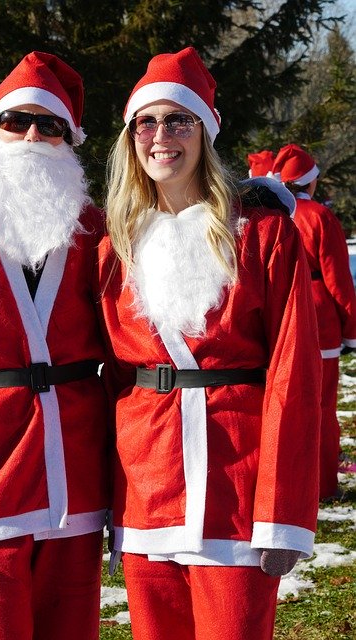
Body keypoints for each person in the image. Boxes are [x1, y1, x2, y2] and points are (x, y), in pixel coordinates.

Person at [97, 47, 322, 640]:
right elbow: (106, 379)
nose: (161, 136)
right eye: (146, 122)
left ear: (206, 132)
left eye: (179, 120)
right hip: (146, 488)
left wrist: (283, 514)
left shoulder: (263, 236)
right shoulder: (114, 246)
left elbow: (294, 375)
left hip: (237, 487)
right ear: (130, 138)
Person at [0, 51, 108, 640]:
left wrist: (249, 206)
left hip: (74, 470)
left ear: (69, 140)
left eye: (50, 124)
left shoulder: (96, 229)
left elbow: (176, 250)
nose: (33, 135)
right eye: (16, 120)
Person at [272, 143, 356, 500]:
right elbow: (339, 281)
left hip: (278, 316)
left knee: (282, 403)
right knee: (321, 406)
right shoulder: (320, 216)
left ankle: (283, 484)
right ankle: (321, 485)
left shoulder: (271, 214)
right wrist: (351, 331)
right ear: (311, 181)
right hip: (319, 317)